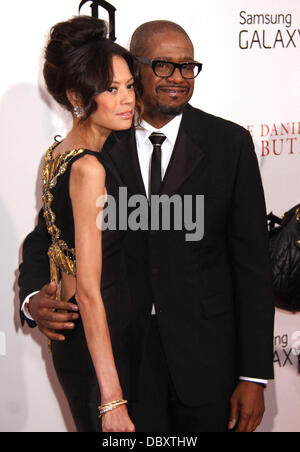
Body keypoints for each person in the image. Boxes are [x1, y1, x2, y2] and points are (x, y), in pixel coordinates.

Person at [19, 20, 275, 432]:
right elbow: (46, 234)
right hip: (123, 357)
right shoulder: (101, 143)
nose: (178, 77)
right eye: (162, 65)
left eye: (187, 66)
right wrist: (33, 297)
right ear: (133, 67)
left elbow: (252, 265)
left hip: (207, 358)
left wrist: (254, 374)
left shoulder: (230, 144)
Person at [19, 15, 146, 432]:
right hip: (99, 350)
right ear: (77, 95)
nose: (127, 99)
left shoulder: (57, 154)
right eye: (111, 89)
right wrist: (113, 400)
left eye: (128, 85)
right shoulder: (89, 169)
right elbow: (90, 292)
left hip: (90, 342)